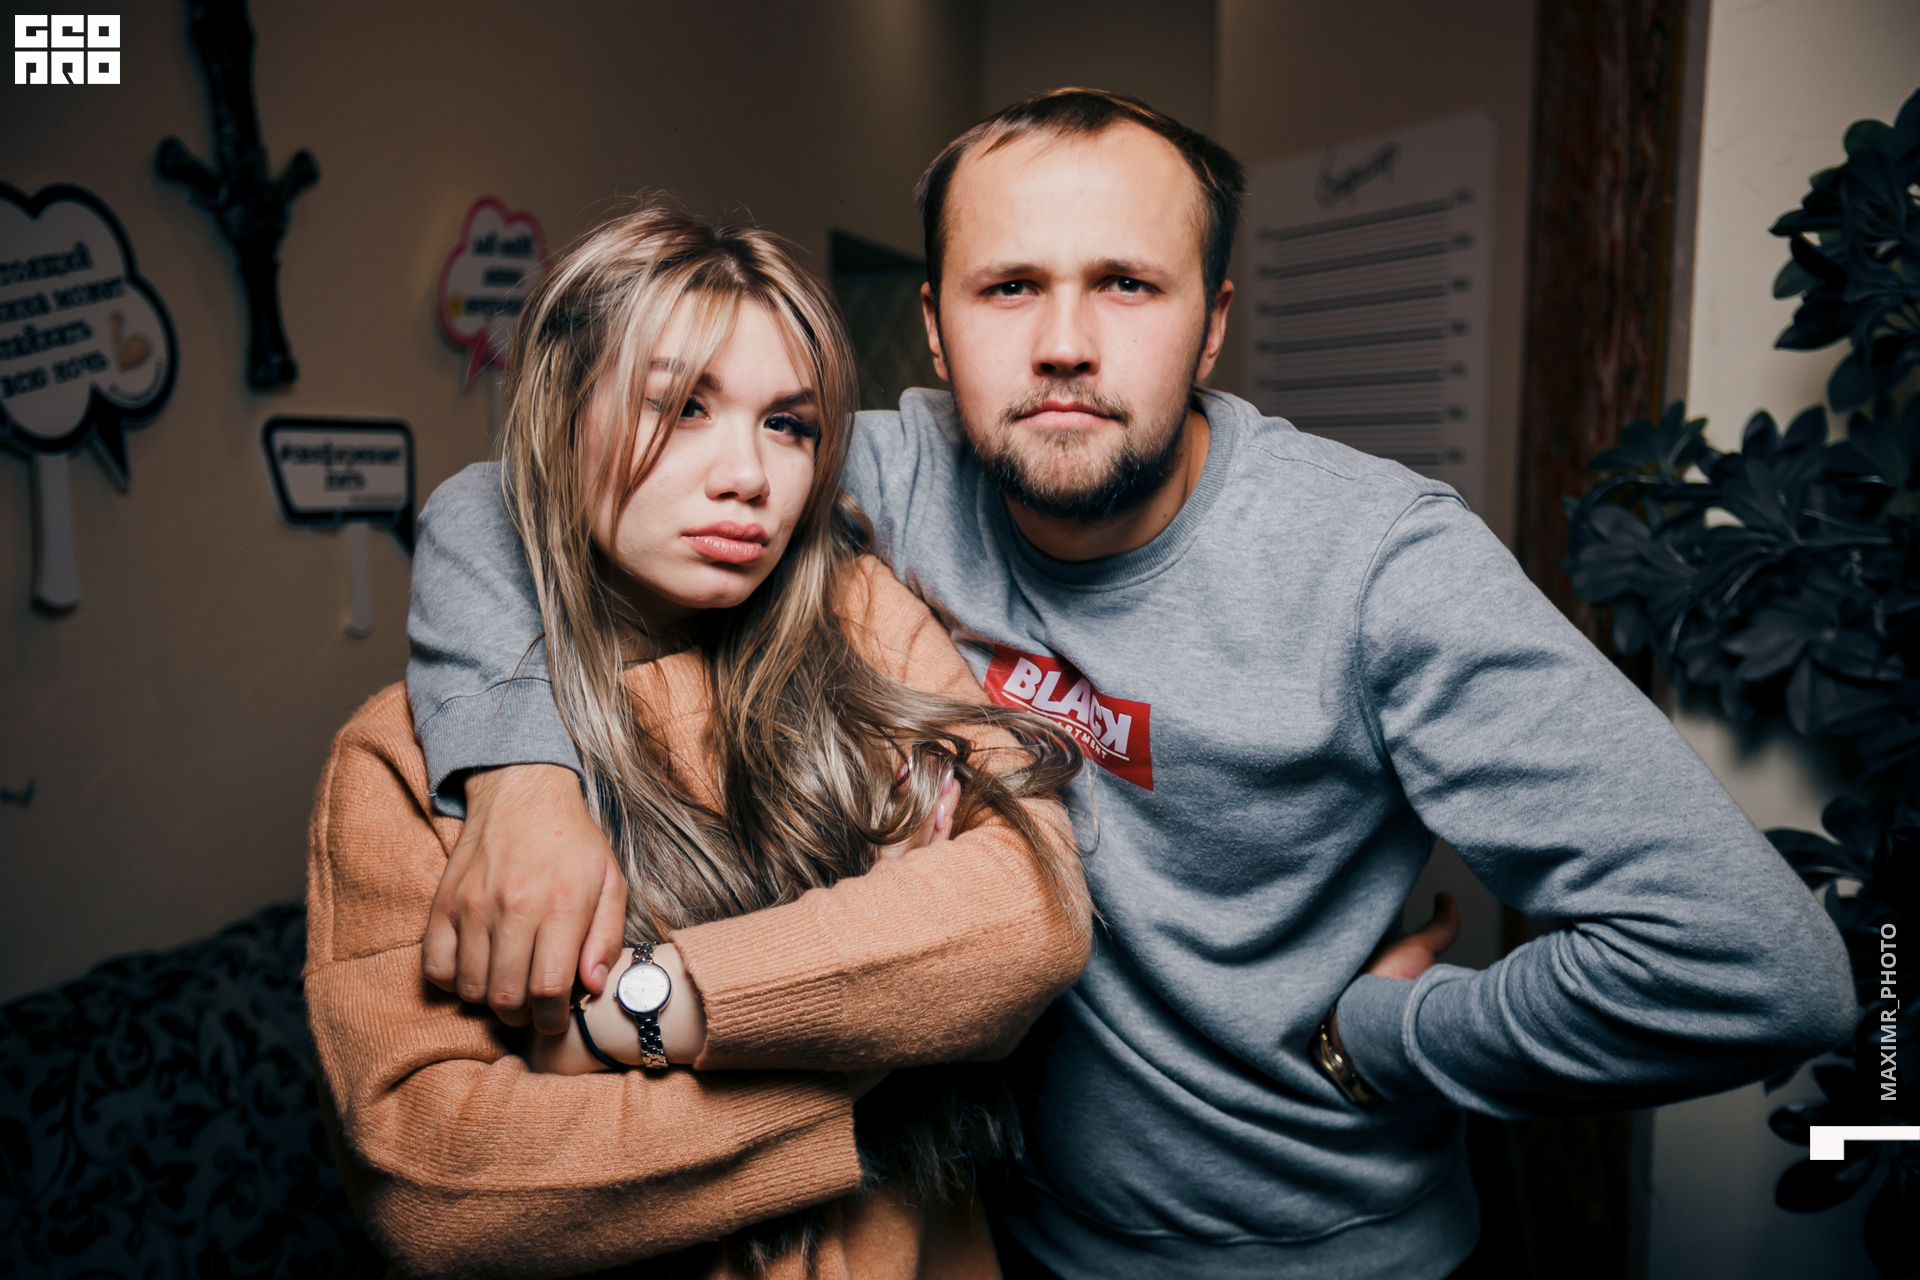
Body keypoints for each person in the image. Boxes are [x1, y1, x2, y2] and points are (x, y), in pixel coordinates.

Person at [402, 91, 1858, 1279]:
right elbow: (509, 497)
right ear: (934, 328)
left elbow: (1758, 965)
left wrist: (1401, 1039)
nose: (1064, 344)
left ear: (1212, 324)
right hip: (1009, 1237)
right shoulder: (885, 473)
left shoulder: (1378, 566)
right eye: (1009, 287)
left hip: (1328, 1260)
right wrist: (521, 775)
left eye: (1126, 285)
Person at [306, 206, 1105, 1279]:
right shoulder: (405, 759)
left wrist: (627, 1015)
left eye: (789, 423)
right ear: (562, 416)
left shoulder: (862, 621)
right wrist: (879, 1033)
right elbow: (436, 1185)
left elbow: (1030, 912)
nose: (749, 475)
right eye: (683, 406)